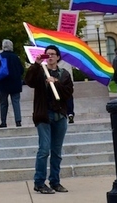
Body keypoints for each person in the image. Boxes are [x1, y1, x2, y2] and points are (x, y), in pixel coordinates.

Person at [24, 45, 74, 195]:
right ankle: (39, 182)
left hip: (59, 116)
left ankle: (55, 181)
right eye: (48, 54)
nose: (50, 56)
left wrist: (56, 82)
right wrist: (36, 64)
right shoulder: (40, 71)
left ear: (58, 57)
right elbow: (29, 81)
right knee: (44, 149)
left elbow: (67, 93)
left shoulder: (64, 74)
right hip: (44, 115)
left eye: (53, 54)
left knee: (56, 151)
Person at [0, 39, 24, 128]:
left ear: (3, 47)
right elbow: (21, 70)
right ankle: (18, 121)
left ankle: (3, 122)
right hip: (15, 84)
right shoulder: (16, 57)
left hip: (3, 84)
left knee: (3, 103)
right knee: (16, 102)